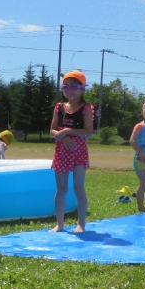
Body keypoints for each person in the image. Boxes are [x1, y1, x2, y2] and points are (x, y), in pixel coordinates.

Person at [49, 70, 94, 233]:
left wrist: (67, 131)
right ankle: (59, 224)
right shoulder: (59, 107)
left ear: (82, 89)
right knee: (61, 188)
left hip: (78, 152)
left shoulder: (86, 108)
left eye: (74, 87)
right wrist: (62, 137)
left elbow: (88, 132)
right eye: (66, 87)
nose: (70, 90)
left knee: (78, 188)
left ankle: (81, 224)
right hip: (62, 152)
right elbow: (52, 131)